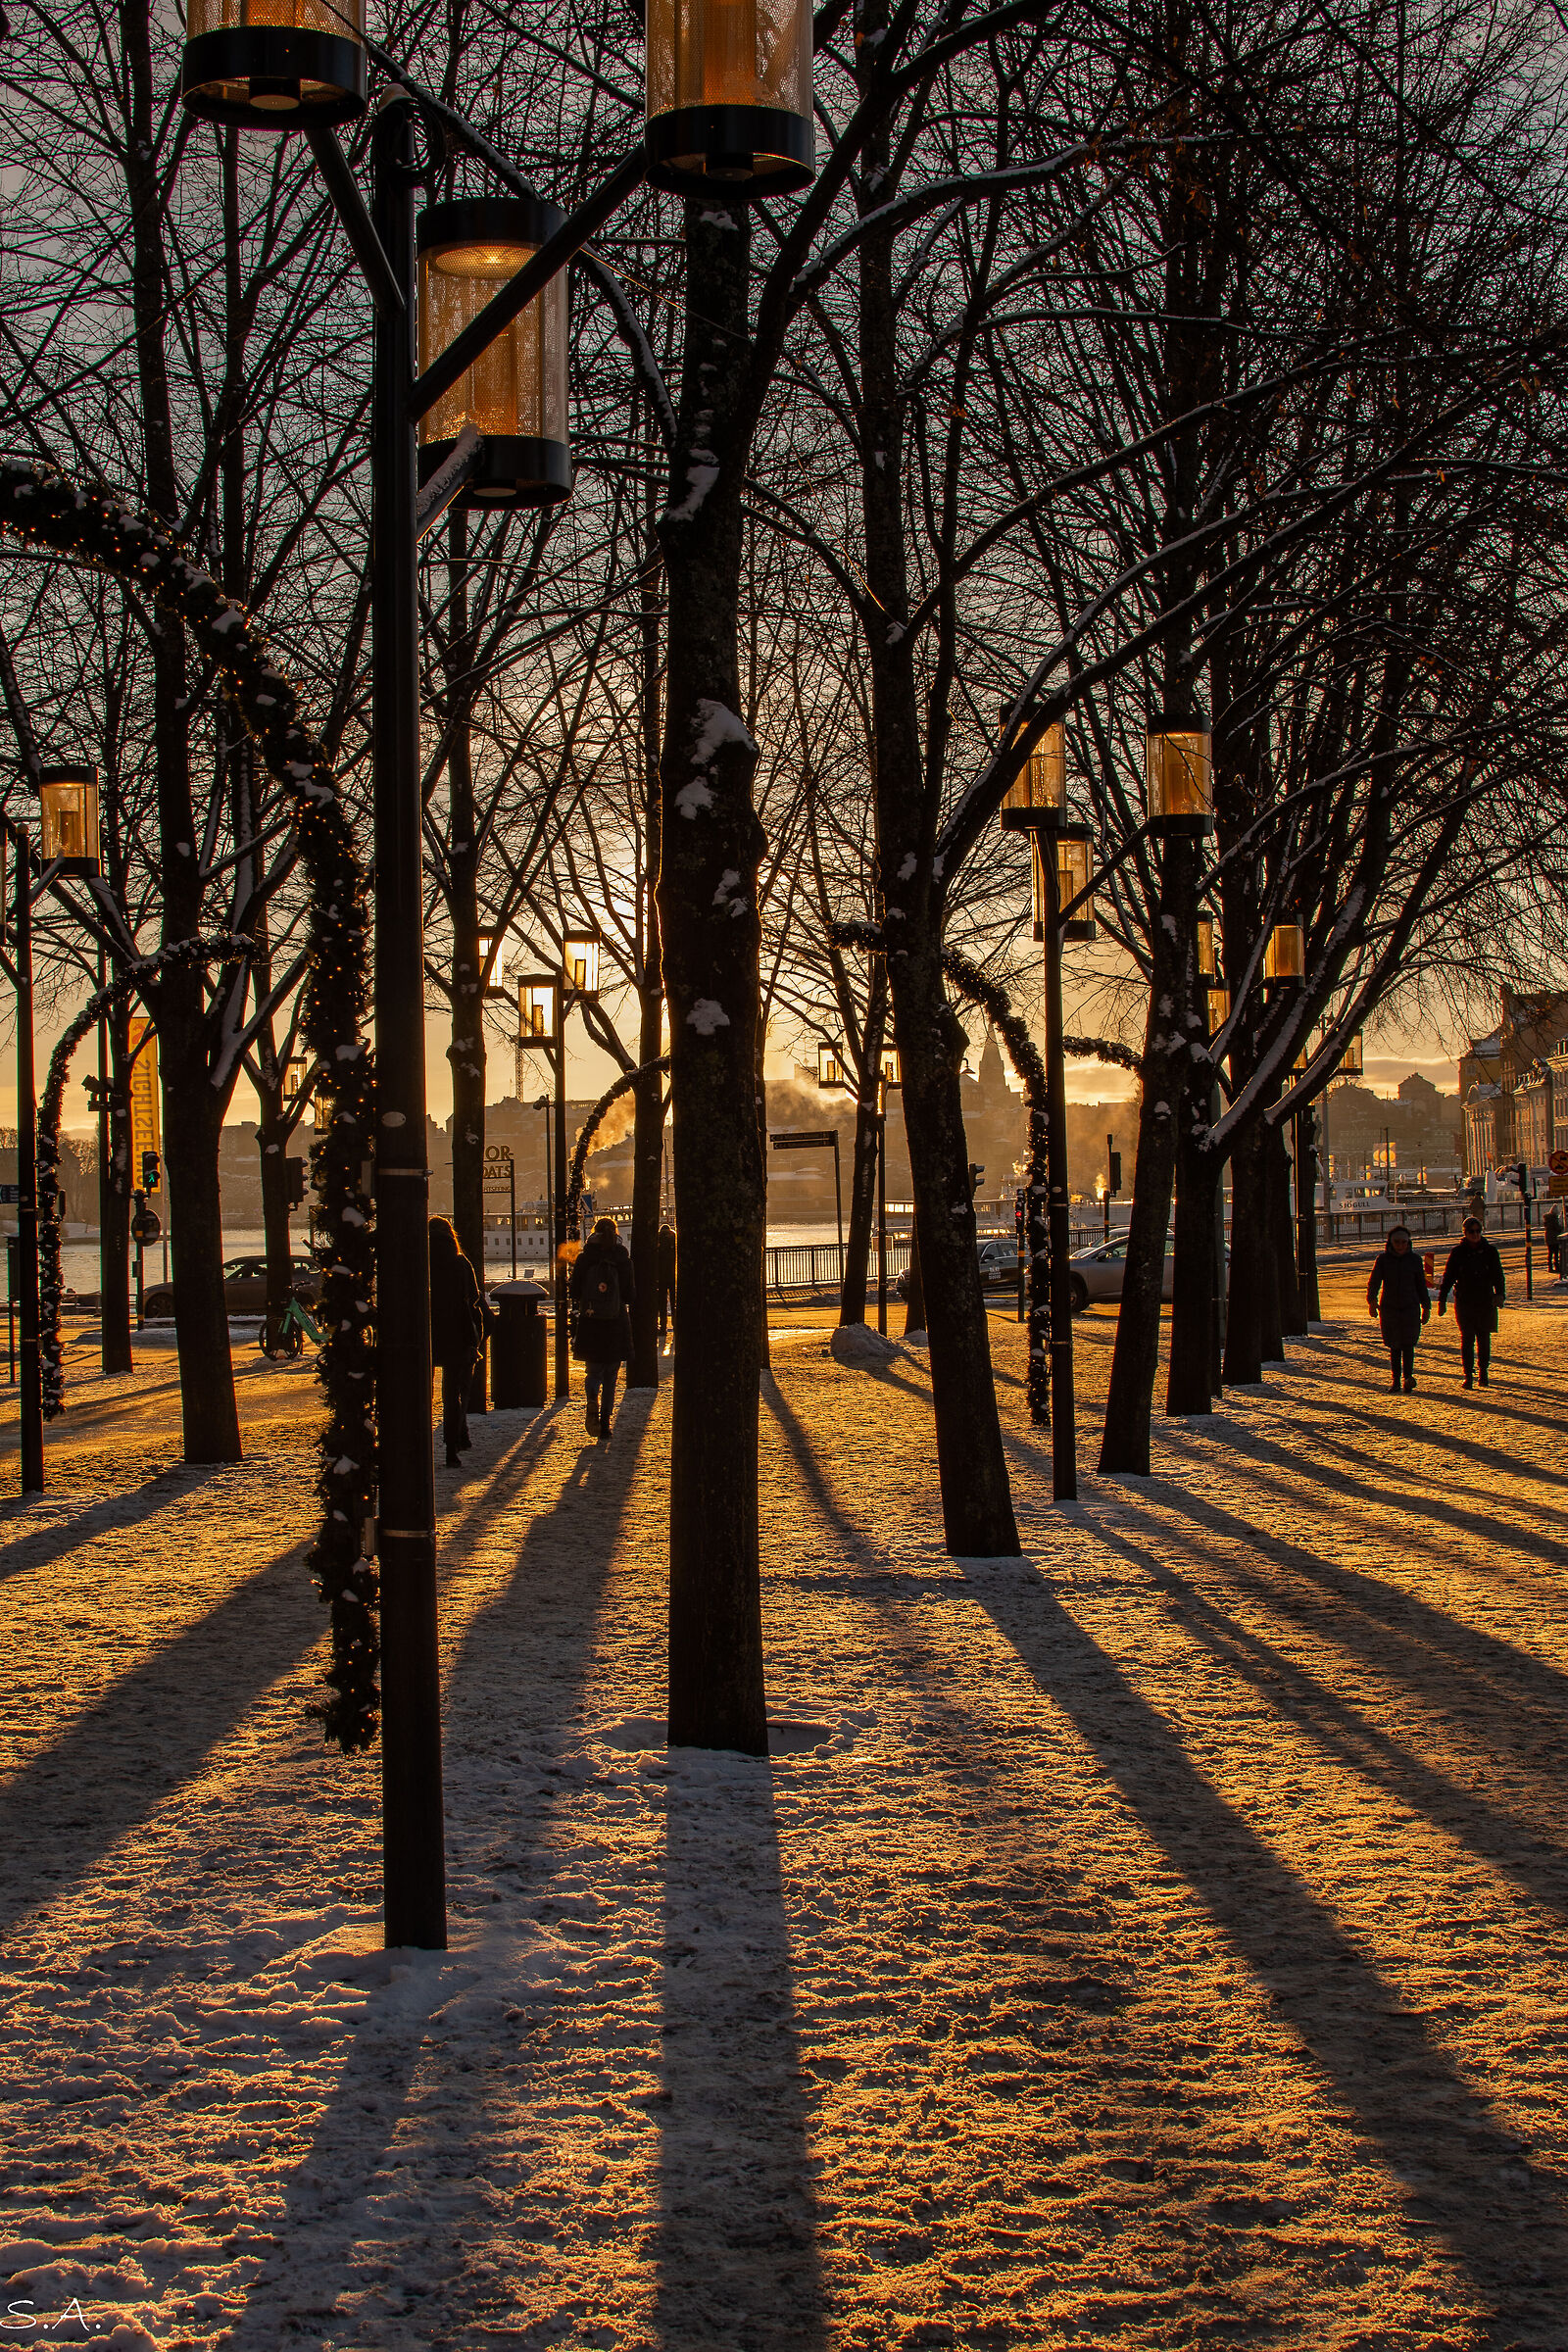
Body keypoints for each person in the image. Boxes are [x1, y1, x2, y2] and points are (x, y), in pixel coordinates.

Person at [570, 1215, 635, 1440]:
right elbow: (629, 1294)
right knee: (611, 1375)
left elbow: (574, 1291)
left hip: (591, 1322)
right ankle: (606, 1423)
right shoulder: (622, 1257)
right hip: (615, 1322)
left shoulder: (585, 1257)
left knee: (593, 1371)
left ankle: (591, 1400)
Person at [429, 1216, 483, 1467]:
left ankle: (419, 1445)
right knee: (453, 1394)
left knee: (422, 1393)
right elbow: (473, 1296)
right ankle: (452, 1447)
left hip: (426, 1333)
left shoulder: (419, 1259)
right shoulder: (460, 1262)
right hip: (457, 1334)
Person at [1438, 1214, 1507, 1388]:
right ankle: (1468, 1375)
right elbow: (1448, 1277)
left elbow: (1498, 1275)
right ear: (1465, 1233)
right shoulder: (1458, 1252)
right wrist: (1442, 1300)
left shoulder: (1490, 1251)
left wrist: (1500, 1294)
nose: (1475, 1234)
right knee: (1467, 1339)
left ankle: (1483, 1372)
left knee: (1484, 1338)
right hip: (1465, 1301)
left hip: (1485, 1300)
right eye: (1471, 1231)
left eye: (1478, 1231)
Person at [1366, 1223, 1430, 1393]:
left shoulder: (1415, 1260)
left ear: (1408, 1243)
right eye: (1397, 1242)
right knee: (1394, 1346)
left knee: (1408, 1345)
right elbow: (1374, 1282)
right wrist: (1372, 1302)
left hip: (1410, 1307)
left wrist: (1426, 1307)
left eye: (1404, 1242)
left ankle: (1407, 1379)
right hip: (1390, 1309)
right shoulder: (1383, 1260)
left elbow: (1421, 1286)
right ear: (1390, 1243)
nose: (1401, 1245)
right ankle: (1395, 1381)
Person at [656, 1220, 677, 1348]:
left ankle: (662, 1328)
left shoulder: (657, 1242)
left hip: (661, 1278)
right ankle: (676, 1326)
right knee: (674, 1303)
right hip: (673, 1277)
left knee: (662, 1304)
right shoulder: (674, 1241)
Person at [1544, 1203, 1562, 1277]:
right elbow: (1558, 1228)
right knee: (1556, 1253)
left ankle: (1550, 1267)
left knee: (1550, 1253)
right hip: (1554, 1238)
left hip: (1548, 1238)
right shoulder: (1554, 1220)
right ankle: (1556, 1266)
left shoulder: (1547, 1219)